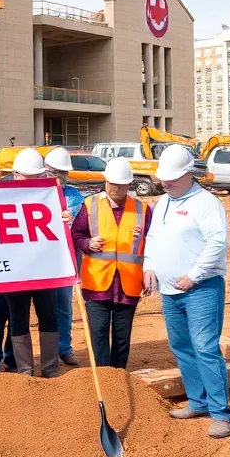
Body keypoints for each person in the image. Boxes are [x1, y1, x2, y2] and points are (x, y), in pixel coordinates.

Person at [146, 145, 230, 439]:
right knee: (181, 347)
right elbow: (153, 238)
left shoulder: (206, 203)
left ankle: (221, 414)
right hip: (170, 291)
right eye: (163, 178)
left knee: (205, 348)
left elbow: (217, 243)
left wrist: (194, 275)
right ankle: (198, 402)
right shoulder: (163, 202)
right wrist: (149, 267)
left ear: (187, 174)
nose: (165, 183)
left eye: (171, 179)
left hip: (202, 289)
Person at [73, 158, 151, 370]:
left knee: (122, 336)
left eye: (121, 184)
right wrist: (87, 243)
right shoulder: (90, 206)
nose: (116, 188)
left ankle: (118, 375)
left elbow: (153, 244)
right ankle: (103, 376)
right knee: (98, 332)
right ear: (105, 182)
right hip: (97, 283)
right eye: (112, 183)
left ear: (129, 184)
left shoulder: (142, 210)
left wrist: (149, 271)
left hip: (129, 284)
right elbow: (76, 235)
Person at [5, 148, 61, 377]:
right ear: (15, 174)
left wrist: (64, 218)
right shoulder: (0, 195)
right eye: (26, 178)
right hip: (15, 269)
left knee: (49, 316)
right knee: (18, 319)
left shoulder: (52, 194)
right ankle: (25, 371)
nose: (31, 182)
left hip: (44, 268)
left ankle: (50, 369)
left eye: (36, 177)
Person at [44, 147, 86, 367]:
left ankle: (64, 348)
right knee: (39, 305)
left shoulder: (75, 196)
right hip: (41, 256)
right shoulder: (35, 192)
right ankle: (44, 352)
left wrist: (71, 219)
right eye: (54, 172)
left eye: (63, 173)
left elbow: (80, 226)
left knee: (63, 303)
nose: (59, 178)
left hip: (66, 256)